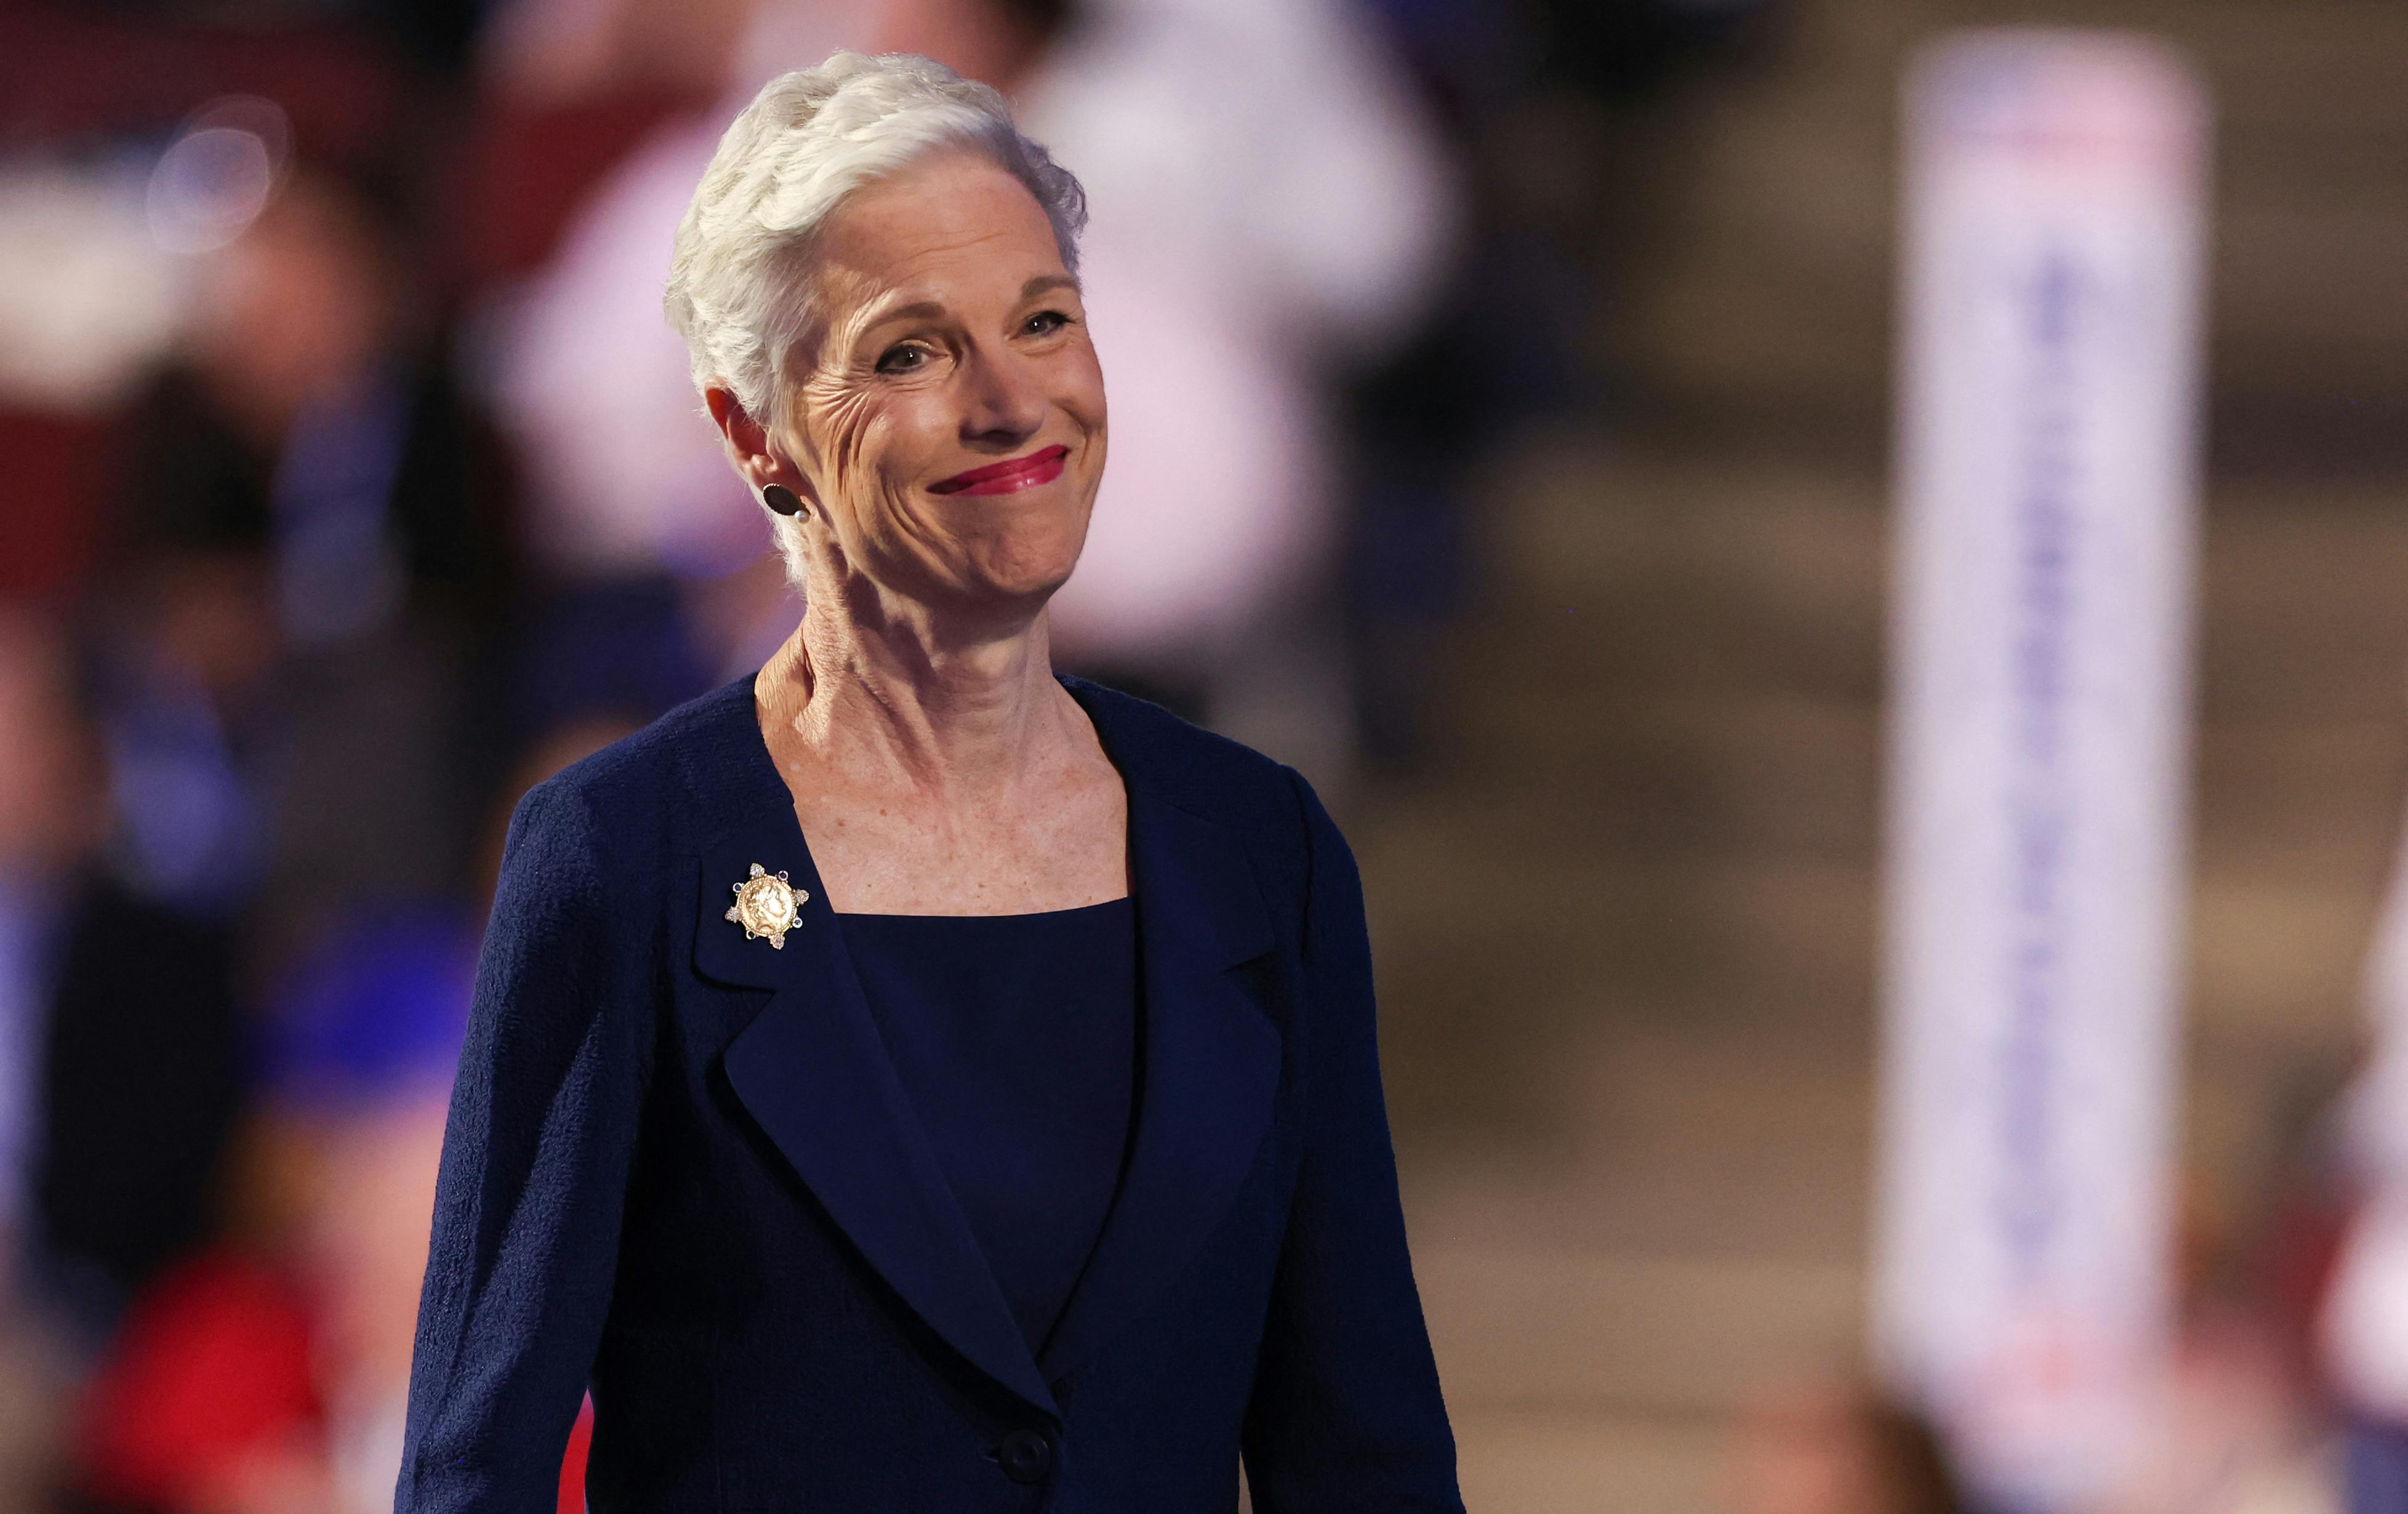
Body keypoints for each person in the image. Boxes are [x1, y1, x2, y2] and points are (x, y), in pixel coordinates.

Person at [398, 50, 1462, 1512]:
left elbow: (1368, 1460)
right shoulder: (624, 856)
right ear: (754, 434)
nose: (1011, 401)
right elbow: (482, 1473)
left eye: (1044, 322)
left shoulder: (1256, 852)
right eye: (909, 351)